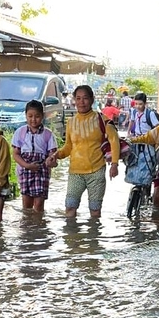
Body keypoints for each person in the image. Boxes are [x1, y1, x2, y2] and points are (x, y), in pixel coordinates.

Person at [46, 85, 120, 218]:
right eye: (78, 98)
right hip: (75, 172)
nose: (81, 102)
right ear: (74, 100)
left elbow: (115, 141)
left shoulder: (102, 120)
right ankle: (71, 238)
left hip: (96, 171)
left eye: (85, 98)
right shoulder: (71, 122)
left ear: (92, 100)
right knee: (70, 208)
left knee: (95, 211)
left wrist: (114, 164)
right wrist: (56, 155)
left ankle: (93, 238)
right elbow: (68, 147)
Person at [11, 100, 58, 212]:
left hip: (42, 172)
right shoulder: (20, 132)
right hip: (25, 171)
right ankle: (28, 227)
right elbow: (16, 155)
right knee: (26, 205)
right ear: (25, 115)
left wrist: (51, 161)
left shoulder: (48, 134)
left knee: (39, 204)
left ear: (42, 116)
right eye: (30, 116)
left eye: (37, 116)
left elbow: (53, 155)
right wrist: (27, 165)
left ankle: (38, 226)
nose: (33, 119)